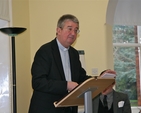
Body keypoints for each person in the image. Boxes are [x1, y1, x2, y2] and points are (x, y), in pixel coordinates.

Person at [28, 14, 91, 113]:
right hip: (47, 109)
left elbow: (81, 77)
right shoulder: (45, 51)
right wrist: (66, 85)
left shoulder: (74, 54)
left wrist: (101, 78)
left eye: (76, 30)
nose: (73, 33)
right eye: (69, 29)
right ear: (58, 30)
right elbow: (38, 82)